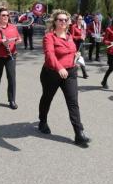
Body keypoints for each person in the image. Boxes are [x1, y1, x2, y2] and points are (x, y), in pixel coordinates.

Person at [38, 9, 91, 147]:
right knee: (47, 98)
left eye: (65, 20)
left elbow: (71, 52)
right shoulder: (49, 37)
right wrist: (59, 67)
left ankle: (79, 133)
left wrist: (76, 57)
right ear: (55, 22)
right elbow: (50, 54)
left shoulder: (69, 37)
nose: (63, 22)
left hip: (70, 73)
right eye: (60, 20)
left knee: (73, 102)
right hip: (52, 73)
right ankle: (42, 121)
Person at [0, 7, 22, 109]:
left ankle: (12, 100)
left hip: (11, 55)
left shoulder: (12, 27)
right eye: (3, 15)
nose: (6, 17)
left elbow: (18, 37)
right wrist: (1, 41)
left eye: (7, 15)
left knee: (11, 77)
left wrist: (19, 40)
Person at [70, 14, 89, 79]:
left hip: (82, 44)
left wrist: (84, 36)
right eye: (79, 19)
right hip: (75, 44)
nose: (81, 20)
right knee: (75, 59)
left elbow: (84, 34)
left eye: (82, 19)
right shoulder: (73, 27)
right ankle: (74, 72)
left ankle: (84, 73)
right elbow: (72, 36)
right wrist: (79, 37)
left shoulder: (83, 26)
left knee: (81, 59)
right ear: (76, 20)